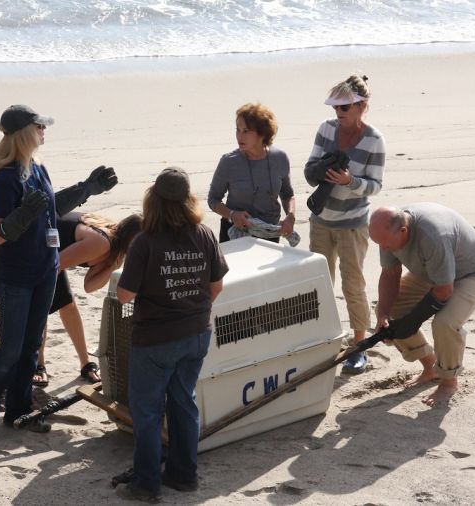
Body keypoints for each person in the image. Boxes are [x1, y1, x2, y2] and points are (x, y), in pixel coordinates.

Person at [0, 104, 115, 447]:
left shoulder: (38, 169)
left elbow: (52, 207)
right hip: (16, 276)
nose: (44, 131)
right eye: (39, 127)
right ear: (24, 133)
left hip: (45, 271)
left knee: (31, 347)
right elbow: (0, 234)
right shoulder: (4, 178)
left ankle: (18, 411)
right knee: (10, 350)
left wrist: (87, 188)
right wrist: (18, 218)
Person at [115, 167, 229, 501]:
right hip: (196, 333)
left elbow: (124, 295)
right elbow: (217, 284)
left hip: (155, 339)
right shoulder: (204, 233)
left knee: (148, 412)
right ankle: (183, 475)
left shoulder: (146, 242)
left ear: (153, 200)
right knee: (183, 403)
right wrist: (192, 308)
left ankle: (147, 483)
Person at [369, 203, 475, 406]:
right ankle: (430, 367)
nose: (383, 248)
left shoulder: (433, 235)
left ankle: (448, 382)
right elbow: (390, 273)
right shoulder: (387, 234)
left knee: (445, 323)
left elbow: (444, 290)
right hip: (432, 272)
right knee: (392, 311)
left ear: (404, 230)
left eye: (385, 244)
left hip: (474, 273)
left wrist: (412, 321)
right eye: (379, 244)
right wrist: (383, 314)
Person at [303, 74, 386, 375]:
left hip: (353, 224)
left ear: (362, 106)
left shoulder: (375, 140)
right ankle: (322, 341)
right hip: (321, 220)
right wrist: (322, 170)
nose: (338, 113)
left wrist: (350, 181)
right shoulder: (326, 129)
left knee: (353, 285)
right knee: (321, 285)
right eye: (336, 107)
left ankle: (358, 347)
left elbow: (375, 186)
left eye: (345, 107)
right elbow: (308, 168)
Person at [33, 212, 142, 387]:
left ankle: (85, 363)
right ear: (133, 238)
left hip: (54, 251)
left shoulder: (115, 249)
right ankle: (38, 364)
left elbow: (89, 286)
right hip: (40, 240)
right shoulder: (102, 242)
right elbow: (54, 265)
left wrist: (113, 266)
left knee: (67, 305)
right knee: (42, 306)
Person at [208, 103, 296, 243]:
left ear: (262, 133)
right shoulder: (228, 161)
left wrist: (290, 216)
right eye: (237, 130)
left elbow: (287, 195)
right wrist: (232, 215)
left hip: (269, 234)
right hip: (235, 234)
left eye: (246, 131)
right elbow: (213, 200)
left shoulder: (280, 158)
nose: (239, 136)